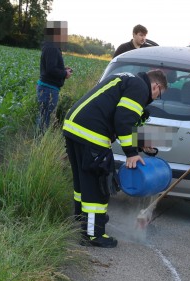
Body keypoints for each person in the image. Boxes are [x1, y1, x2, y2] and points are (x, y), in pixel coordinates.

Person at [62, 70, 167, 248]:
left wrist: (140, 142)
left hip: (74, 127)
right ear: (156, 86)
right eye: (159, 94)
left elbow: (115, 116)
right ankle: (93, 234)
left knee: (83, 181)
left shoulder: (129, 78)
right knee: (97, 185)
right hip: (92, 134)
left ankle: (84, 218)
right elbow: (123, 120)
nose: (155, 98)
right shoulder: (141, 88)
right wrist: (131, 153)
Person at [37, 21, 72, 133]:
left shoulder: (51, 46)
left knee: (44, 117)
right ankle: (40, 144)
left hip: (48, 88)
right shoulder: (52, 47)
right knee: (45, 119)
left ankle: (40, 141)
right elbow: (50, 69)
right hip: (48, 89)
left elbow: (51, 67)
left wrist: (63, 69)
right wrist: (64, 74)